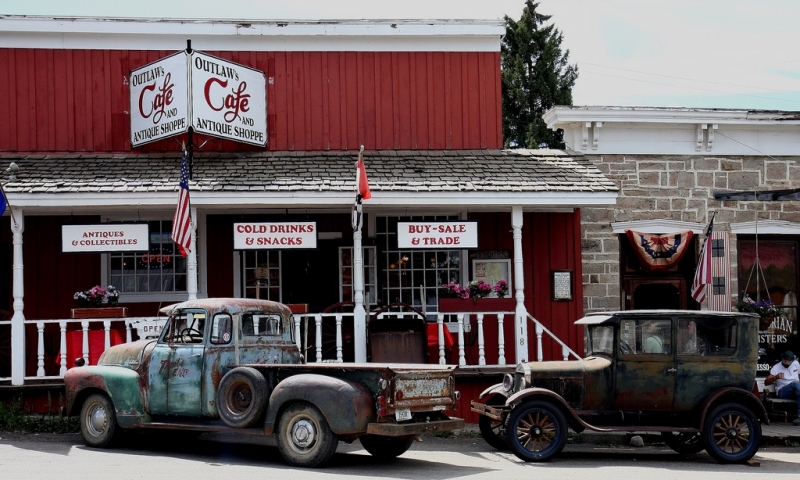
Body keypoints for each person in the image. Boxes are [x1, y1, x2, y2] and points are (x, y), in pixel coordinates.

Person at [765, 350, 800, 425]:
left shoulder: (796, 364)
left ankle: (799, 417)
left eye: (789, 362)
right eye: (785, 361)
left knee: (798, 388)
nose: (786, 364)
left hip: (796, 390)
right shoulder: (776, 368)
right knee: (795, 383)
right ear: (782, 358)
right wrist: (775, 377)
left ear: (793, 360)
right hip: (783, 391)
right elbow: (766, 382)